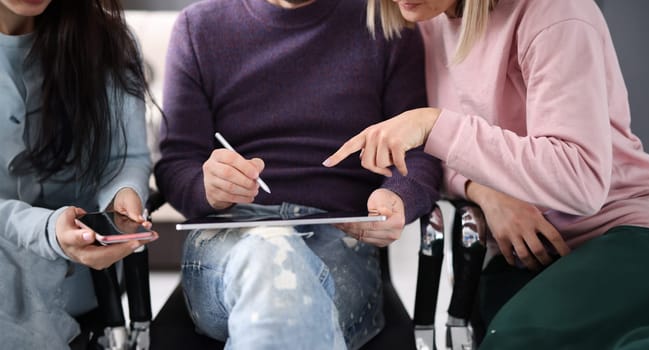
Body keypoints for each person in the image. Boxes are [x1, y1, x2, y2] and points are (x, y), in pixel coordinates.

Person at [323, 0, 649, 348]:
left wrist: (432, 123)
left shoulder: (555, 11)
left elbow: (582, 180)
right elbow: (447, 157)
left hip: (620, 232)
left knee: (516, 339)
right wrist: (483, 191)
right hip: (529, 254)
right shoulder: (428, 19)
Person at [154, 0, 442, 348]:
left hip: (340, 240)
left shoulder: (387, 25)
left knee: (283, 302)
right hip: (229, 239)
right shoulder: (198, 28)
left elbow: (417, 154)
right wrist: (206, 186)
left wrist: (397, 196)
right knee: (273, 267)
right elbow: (176, 163)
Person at [0, 0, 156, 349]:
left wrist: (123, 197)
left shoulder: (108, 40)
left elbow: (125, 158)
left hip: (80, 283)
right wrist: (47, 230)